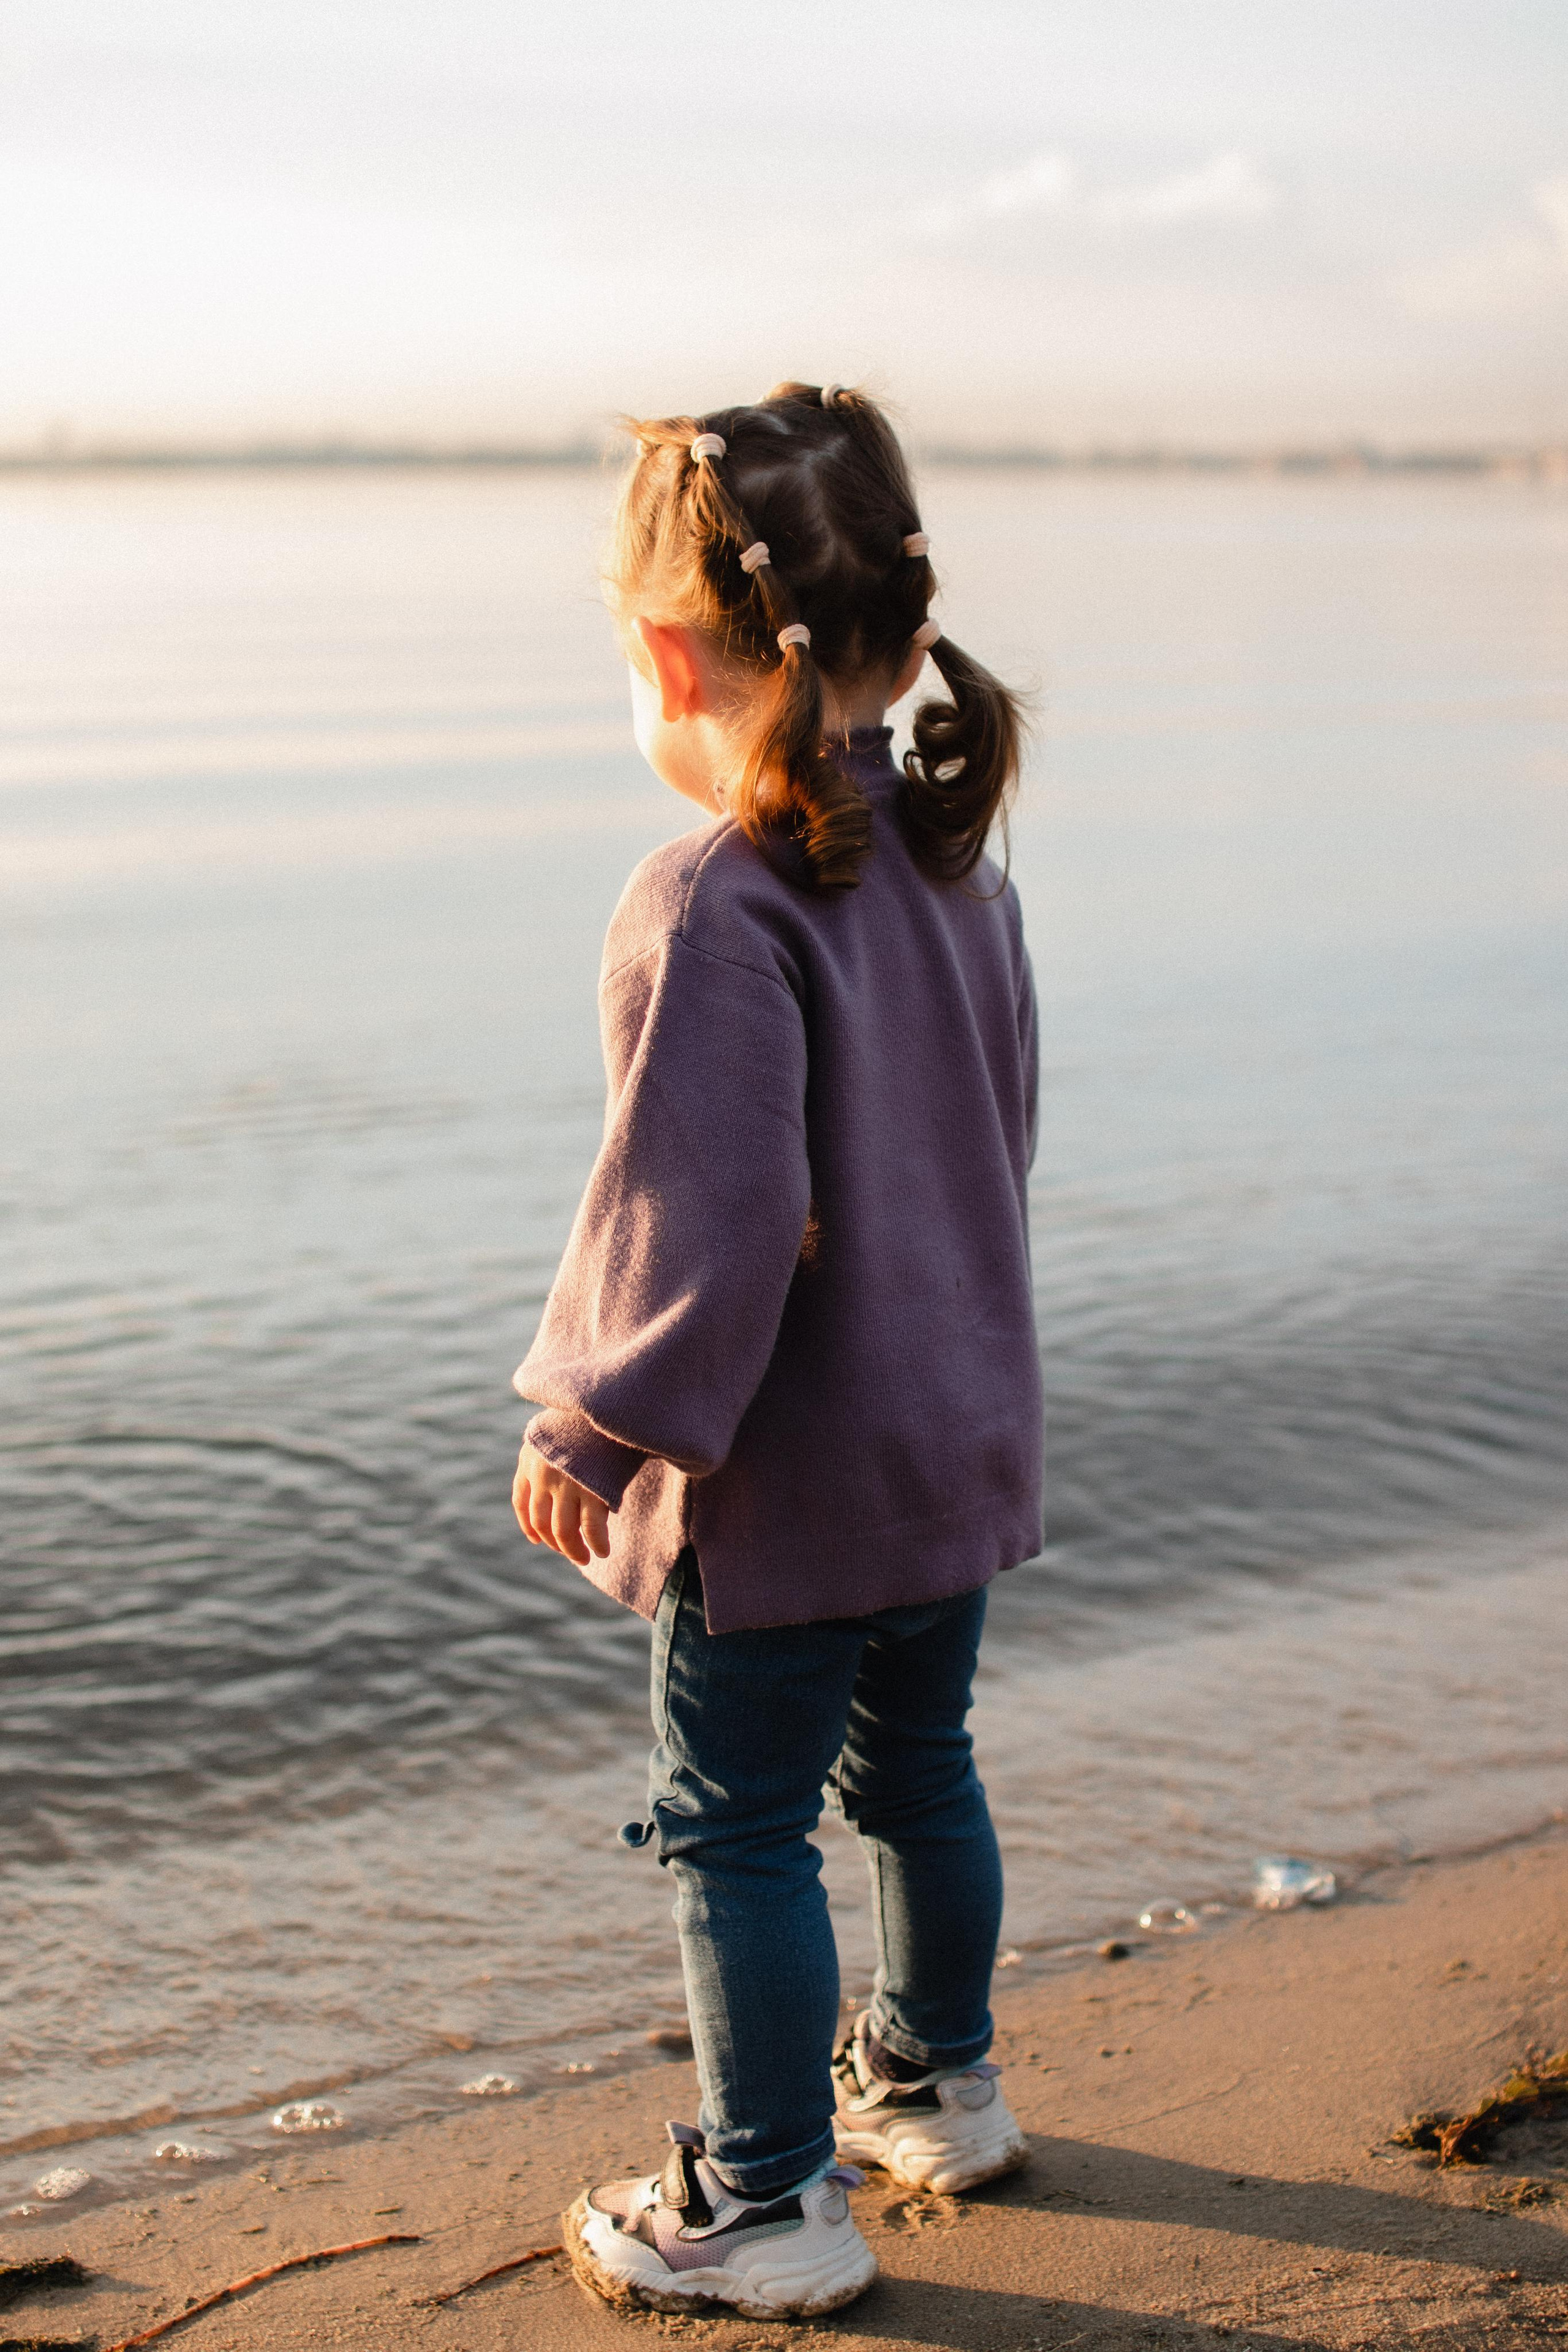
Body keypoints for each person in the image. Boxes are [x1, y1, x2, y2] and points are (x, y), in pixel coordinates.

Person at [511, 381, 1043, 2322]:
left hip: (799, 1482)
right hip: (955, 1433)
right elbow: (996, 1130)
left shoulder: (707, 900)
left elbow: (699, 1224)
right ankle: (937, 2082)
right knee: (920, 1769)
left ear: (668, 651)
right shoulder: (960, 860)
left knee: (734, 1821)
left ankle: (761, 2201)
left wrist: (598, 1414)